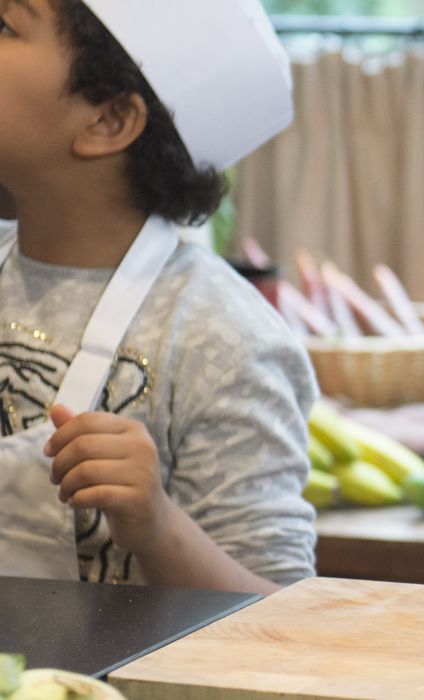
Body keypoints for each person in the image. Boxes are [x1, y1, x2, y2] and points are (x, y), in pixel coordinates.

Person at [0, 0, 315, 594]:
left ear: (108, 121)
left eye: (5, 27)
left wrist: (155, 522)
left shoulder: (223, 340)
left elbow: (284, 625)